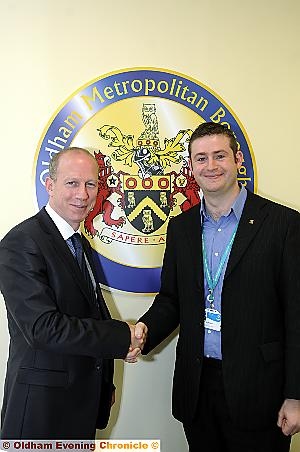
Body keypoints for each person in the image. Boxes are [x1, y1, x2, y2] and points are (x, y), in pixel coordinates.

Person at [133, 122, 300, 451]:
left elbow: (297, 315)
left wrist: (295, 395)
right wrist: (141, 332)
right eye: (201, 158)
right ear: (191, 167)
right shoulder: (181, 228)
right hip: (197, 389)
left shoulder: (284, 224)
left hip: (260, 392)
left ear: (238, 159)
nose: (211, 166)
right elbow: (171, 300)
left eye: (219, 155)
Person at [0, 147, 145, 439]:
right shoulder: (21, 242)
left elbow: (88, 314)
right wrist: (120, 337)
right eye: (72, 183)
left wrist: (105, 383)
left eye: (90, 184)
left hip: (79, 406)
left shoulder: (81, 244)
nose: (83, 193)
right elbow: (43, 329)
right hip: (40, 416)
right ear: (49, 185)